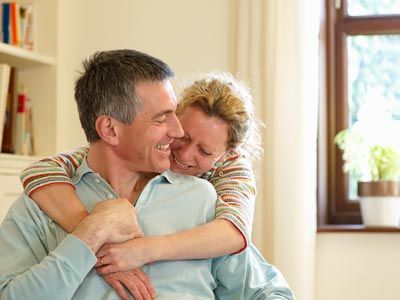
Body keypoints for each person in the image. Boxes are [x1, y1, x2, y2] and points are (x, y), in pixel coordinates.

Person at [0, 49, 294, 299]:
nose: (177, 132)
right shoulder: (44, 200)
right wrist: (89, 235)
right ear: (110, 129)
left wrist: (143, 250)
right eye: (162, 118)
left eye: (173, 113)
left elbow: (268, 291)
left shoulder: (202, 198)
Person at [21, 73, 260, 273]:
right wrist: (94, 238)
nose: (185, 154)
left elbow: (235, 232)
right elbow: (41, 170)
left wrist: (143, 250)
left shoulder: (231, 167)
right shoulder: (148, 152)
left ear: (227, 153)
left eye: (205, 151)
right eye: (184, 136)